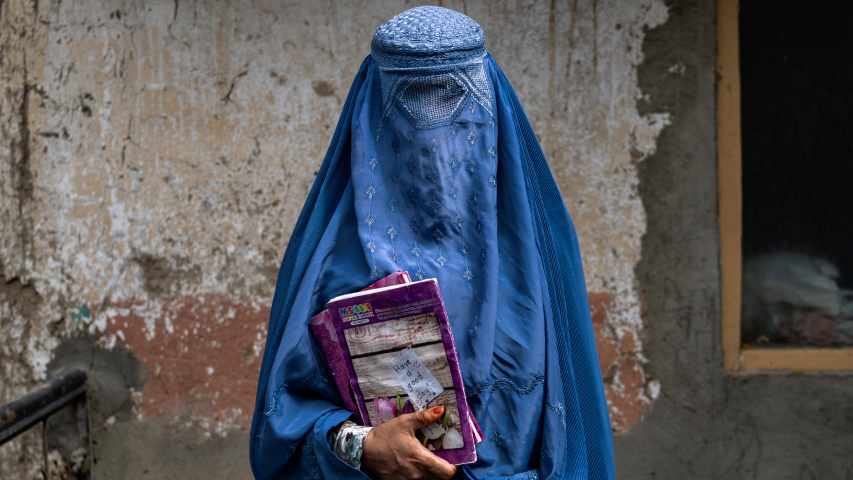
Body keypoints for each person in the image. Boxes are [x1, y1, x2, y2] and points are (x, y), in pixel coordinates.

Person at [250, 6, 614, 480]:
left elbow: (575, 433)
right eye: (409, 99)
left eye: (453, 98)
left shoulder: (539, 257)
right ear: (371, 110)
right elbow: (281, 428)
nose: (433, 137)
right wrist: (362, 446)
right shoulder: (328, 259)